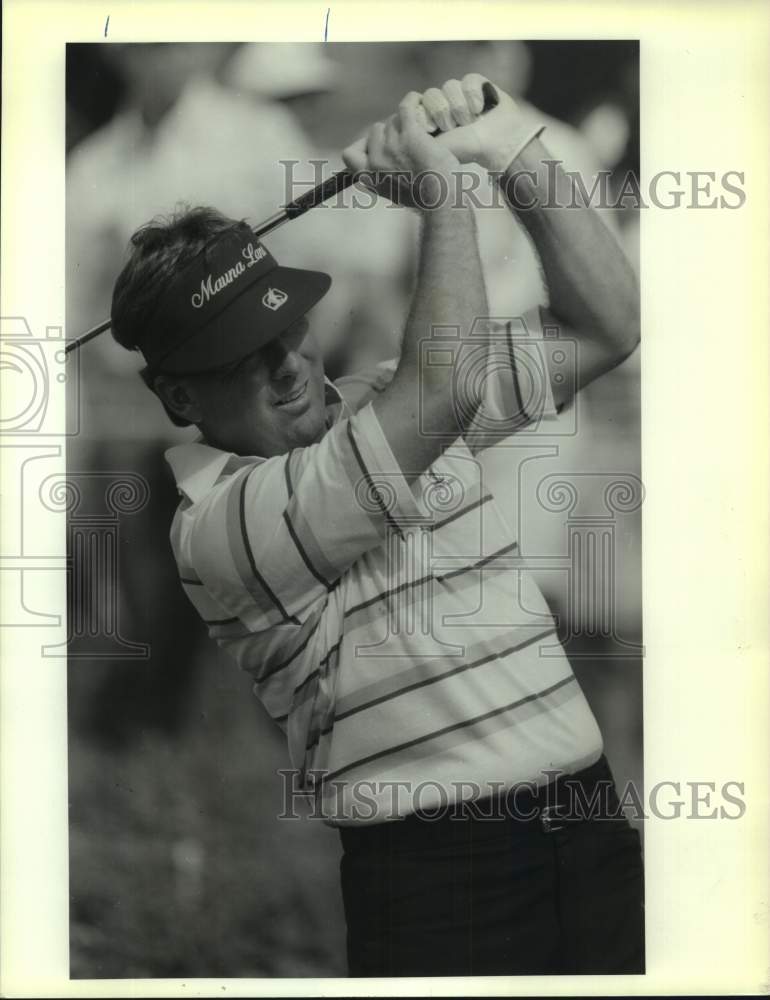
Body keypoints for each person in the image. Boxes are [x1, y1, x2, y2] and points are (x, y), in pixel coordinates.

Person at [109, 74, 643, 976]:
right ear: (177, 396)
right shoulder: (219, 521)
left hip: (591, 831)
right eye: (242, 360)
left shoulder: (381, 402)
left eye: (287, 330)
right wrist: (441, 192)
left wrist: (513, 150)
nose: (285, 366)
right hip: (444, 879)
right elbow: (443, 391)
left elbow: (608, 324)